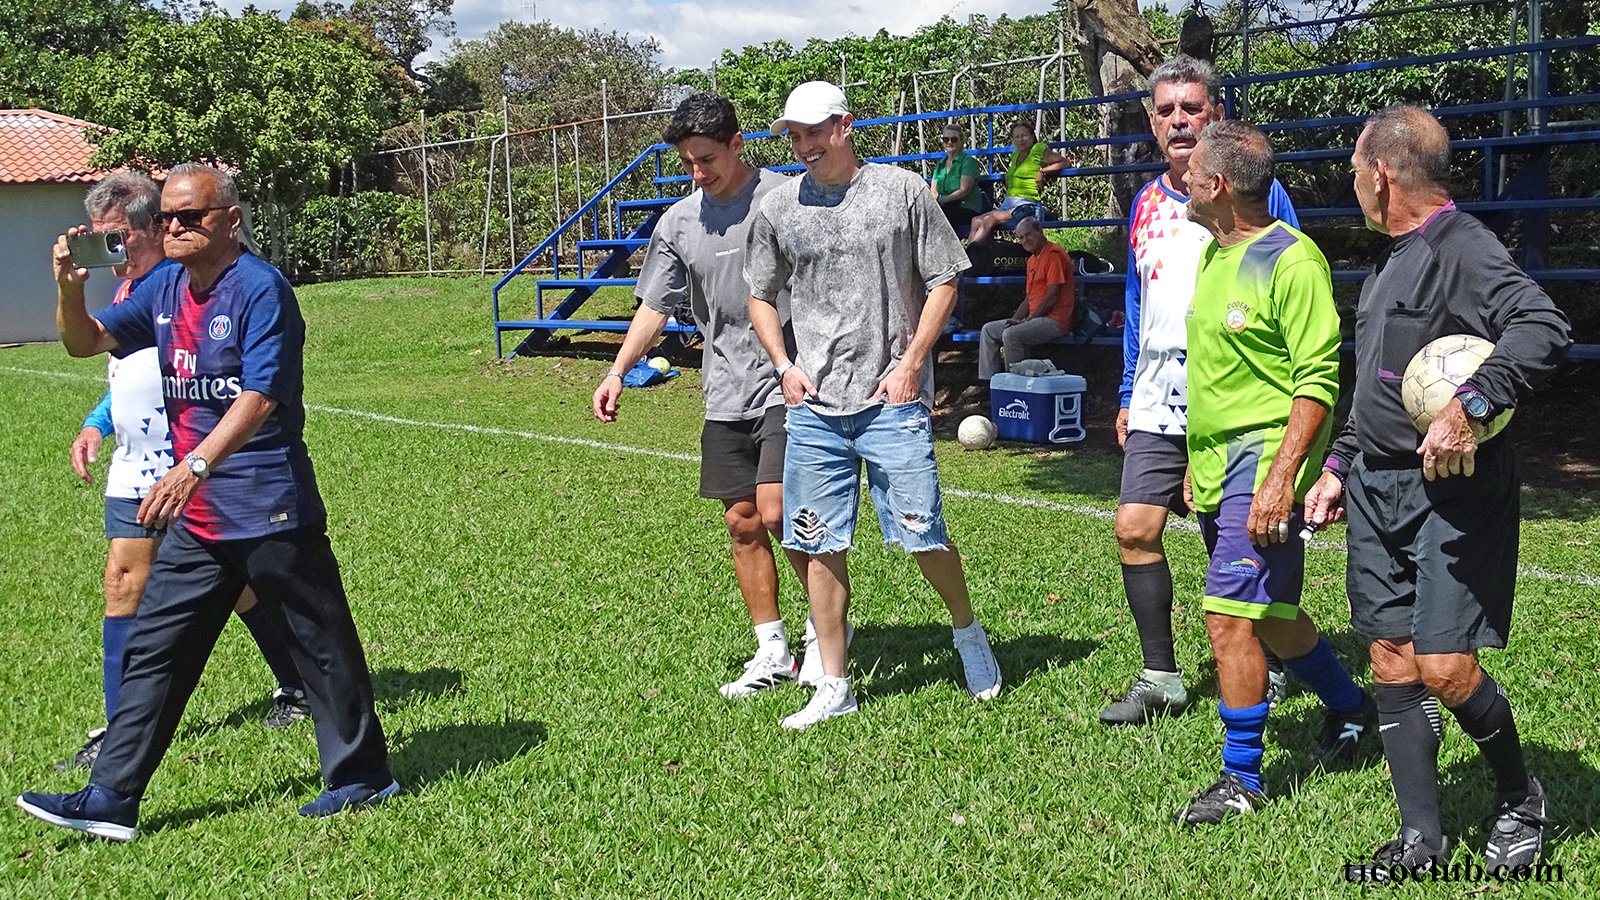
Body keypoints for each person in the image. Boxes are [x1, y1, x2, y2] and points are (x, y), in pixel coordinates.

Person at [18, 164, 397, 842]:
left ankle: (363, 775)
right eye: (167, 217)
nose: (173, 228)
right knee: (156, 650)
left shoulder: (261, 289)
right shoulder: (164, 284)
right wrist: (68, 290)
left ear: (230, 220)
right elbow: (86, 342)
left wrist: (193, 465)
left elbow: (262, 395)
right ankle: (110, 797)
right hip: (197, 515)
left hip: (267, 501)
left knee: (321, 644)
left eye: (190, 217)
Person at [1306, 106, 1570, 878]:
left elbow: (1542, 325)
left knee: (1446, 667)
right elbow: (1375, 387)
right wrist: (1338, 464)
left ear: (1381, 174)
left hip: (1450, 491)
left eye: (1356, 170)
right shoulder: (1387, 263)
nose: (1355, 183)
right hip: (1375, 487)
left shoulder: (1461, 246)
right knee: (1391, 656)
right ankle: (1422, 837)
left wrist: (1472, 404)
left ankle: (1521, 797)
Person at [745, 81, 1002, 731]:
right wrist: (784, 366)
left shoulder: (903, 191)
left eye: (814, 131)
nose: (803, 145)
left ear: (845, 126)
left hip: (892, 399)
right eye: (793, 136)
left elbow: (944, 278)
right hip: (814, 408)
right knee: (817, 543)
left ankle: (967, 631)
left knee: (923, 535)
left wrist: (911, 363)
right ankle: (835, 683)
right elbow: (760, 294)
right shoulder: (779, 207)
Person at [58, 173, 311, 774]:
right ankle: (120, 737)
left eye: (119, 236)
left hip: (199, 464)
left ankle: (307, 693)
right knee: (128, 582)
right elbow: (115, 369)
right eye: (100, 237)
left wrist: (195, 464)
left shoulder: (212, 285)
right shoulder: (138, 292)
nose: (112, 249)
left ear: (153, 230)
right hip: (139, 462)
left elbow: (254, 389)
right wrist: (97, 422)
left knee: (239, 584)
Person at [1174, 121, 1373, 826]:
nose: (1182, 178)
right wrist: (1197, 461)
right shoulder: (1213, 254)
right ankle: (1353, 707)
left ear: (1218, 185)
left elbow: (1318, 381)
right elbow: (1221, 373)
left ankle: (1242, 779)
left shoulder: (1292, 260)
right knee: (1274, 617)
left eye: (1192, 171)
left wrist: (1281, 475)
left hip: (1261, 467)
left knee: (1228, 619)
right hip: (1218, 465)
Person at [591, 93, 823, 699]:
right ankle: (773, 651)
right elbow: (654, 306)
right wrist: (617, 371)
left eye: (708, 159)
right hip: (724, 387)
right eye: (689, 163)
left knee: (778, 511)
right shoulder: (678, 223)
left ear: (737, 144)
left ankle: (825, 634)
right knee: (742, 522)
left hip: (790, 379)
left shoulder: (786, 198)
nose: (698, 172)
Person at [1101, 55, 1301, 726]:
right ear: (1152, 121)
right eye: (1166, 110)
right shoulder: (1145, 203)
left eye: (1192, 107)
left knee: (1231, 543)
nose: (1179, 120)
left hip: (1234, 400)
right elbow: (1139, 303)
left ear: (1216, 113)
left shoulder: (1260, 195)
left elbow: (1287, 285)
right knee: (1134, 528)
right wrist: (1127, 390)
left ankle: (1265, 665)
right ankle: (1161, 677)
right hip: (1157, 396)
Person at [977, 217, 1075, 381]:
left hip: (1055, 321)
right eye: (1021, 237)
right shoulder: (1031, 261)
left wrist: (1029, 320)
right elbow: (1028, 299)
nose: (1025, 240)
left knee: (1011, 335)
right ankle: (990, 383)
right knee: (988, 330)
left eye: (1028, 234)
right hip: (1034, 319)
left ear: (1040, 231)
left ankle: (1016, 383)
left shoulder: (1054, 255)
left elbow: (1052, 296)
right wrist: (1015, 319)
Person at [966, 120, 1065, 244]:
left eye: (1024, 135)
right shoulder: (1015, 153)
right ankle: (969, 254)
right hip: (1009, 202)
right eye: (1017, 137)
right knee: (976, 220)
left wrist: (1043, 171)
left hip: (1026, 204)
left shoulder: (1038, 149)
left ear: (1032, 136)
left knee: (989, 220)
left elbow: (1064, 162)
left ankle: (972, 253)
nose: (1021, 139)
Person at [928, 124, 982, 235]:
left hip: (965, 207)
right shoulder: (940, 164)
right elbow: (933, 189)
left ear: (961, 141)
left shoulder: (968, 162)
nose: (949, 142)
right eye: (946, 139)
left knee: (941, 219)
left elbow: (964, 191)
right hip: (944, 207)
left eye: (954, 139)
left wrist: (942, 201)